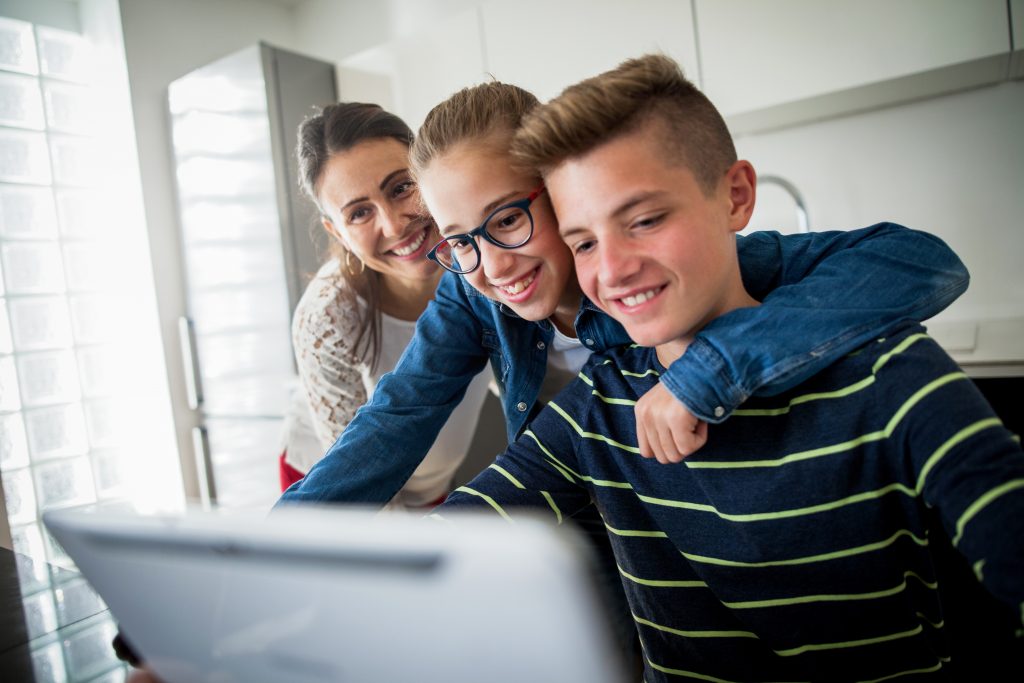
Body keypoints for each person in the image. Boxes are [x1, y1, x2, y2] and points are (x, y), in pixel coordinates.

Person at [434, 54, 1024, 681]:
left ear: (737, 197)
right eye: (583, 242)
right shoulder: (596, 409)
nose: (612, 269)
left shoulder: (890, 373)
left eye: (645, 220)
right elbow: (455, 534)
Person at [278, 82, 969, 507]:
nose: (489, 260)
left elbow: (922, 262)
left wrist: (712, 366)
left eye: (510, 219)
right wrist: (261, 554)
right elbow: (396, 418)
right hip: (594, 499)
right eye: (462, 240)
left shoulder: (670, 273)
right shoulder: (475, 292)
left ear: (558, 193)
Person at [279, 102, 490, 508]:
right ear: (336, 232)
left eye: (400, 187)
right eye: (359, 213)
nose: (394, 225)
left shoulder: (477, 256)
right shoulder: (327, 317)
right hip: (332, 484)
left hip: (432, 478)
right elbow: (358, 475)